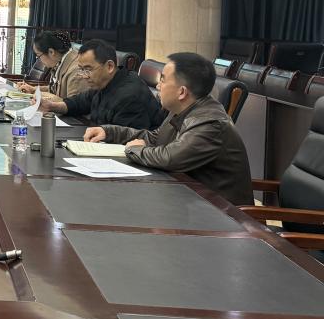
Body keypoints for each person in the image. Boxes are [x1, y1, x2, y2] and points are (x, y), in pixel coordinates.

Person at [84, 52, 253, 206]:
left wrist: (134, 150)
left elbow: (170, 158)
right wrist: (109, 132)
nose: (158, 86)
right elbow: (155, 138)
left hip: (224, 215)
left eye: (163, 80)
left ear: (182, 92)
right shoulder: (182, 109)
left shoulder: (210, 123)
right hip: (191, 201)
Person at [40, 39, 162, 129]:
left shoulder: (129, 96)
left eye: (88, 69)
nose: (84, 76)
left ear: (109, 66)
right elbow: (80, 102)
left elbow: (125, 141)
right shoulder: (104, 82)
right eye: (81, 70)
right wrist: (51, 106)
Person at [17, 30, 92, 99]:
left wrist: (44, 96)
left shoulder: (76, 71)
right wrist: (33, 89)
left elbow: (74, 105)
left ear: (51, 52)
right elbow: (55, 89)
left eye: (39, 56)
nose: (39, 59)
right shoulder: (61, 61)